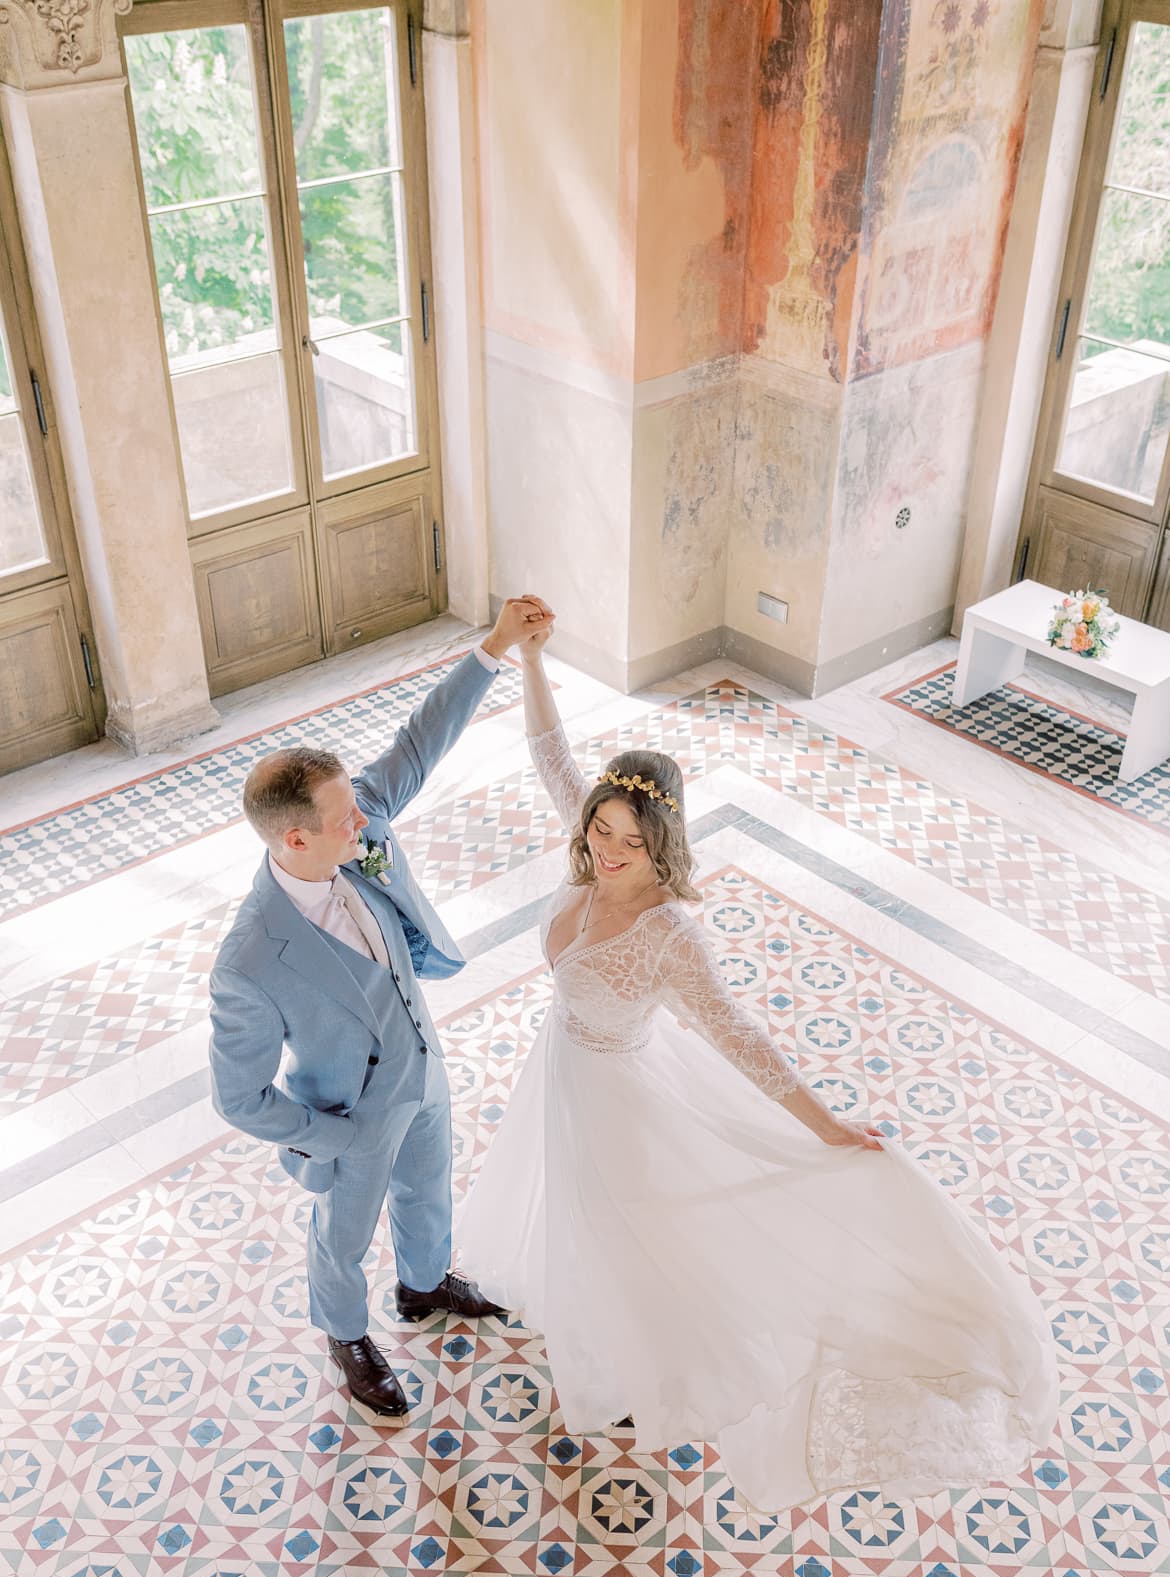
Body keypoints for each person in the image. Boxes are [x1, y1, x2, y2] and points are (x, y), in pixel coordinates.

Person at [456, 620, 1059, 1511]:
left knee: (619, 1228)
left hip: (620, 1100)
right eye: (600, 829)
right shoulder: (582, 853)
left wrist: (826, 1127)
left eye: (629, 837)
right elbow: (550, 754)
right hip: (564, 1072)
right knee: (576, 1219)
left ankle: (636, 1372)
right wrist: (535, 659)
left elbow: (743, 1039)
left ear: (662, 841)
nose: (608, 850)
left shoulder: (671, 934)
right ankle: (601, 1338)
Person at [209, 599, 552, 1420]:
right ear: (294, 840)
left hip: (422, 1064)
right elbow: (238, 1097)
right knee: (342, 1236)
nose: (363, 819)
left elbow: (417, 745)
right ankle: (345, 1334)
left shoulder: (351, 817)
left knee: (429, 1187)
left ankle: (425, 1284)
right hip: (350, 1116)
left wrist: (495, 648)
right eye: (344, 819)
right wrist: (338, 1136)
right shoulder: (250, 960)